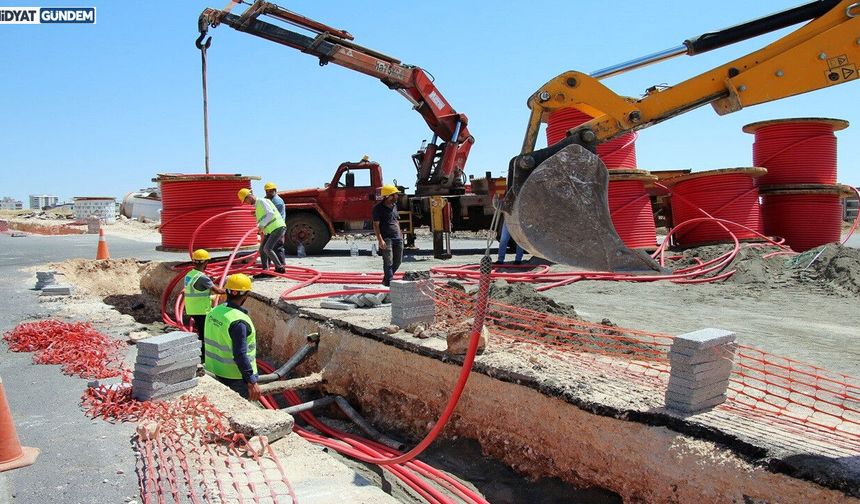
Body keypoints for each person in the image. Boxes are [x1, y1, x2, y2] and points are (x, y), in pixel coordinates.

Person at [203, 273, 261, 402]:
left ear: (227, 292)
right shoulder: (239, 321)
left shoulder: (214, 311)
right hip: (235, 377)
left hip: (213, 370)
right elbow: (240, 354)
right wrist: (251, 381)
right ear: (246, 295)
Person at [184, 249, 227, 362]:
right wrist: (231, 291)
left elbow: (196, 292)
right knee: (205, 334)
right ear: (205, 262)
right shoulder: (202, 277)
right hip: (201, 311)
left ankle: (201, 353)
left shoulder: (189, 275)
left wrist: (211, 298)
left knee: (201, 331)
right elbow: (217, 290)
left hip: (192, 308)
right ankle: (202, 356)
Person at [238, 188, 286, 275]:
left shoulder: (261, 201)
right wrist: (260, 226)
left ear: (249, 196)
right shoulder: (257, 205)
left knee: (267, 248)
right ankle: (265, 271)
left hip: (277, 227)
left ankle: (280, 268)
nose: (246, 203)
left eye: (245, 201)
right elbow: (263, 217)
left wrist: (261, 226)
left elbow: (270, 213)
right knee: (262, 249)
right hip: (270, 229)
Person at [373, 184, 403, 286]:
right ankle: (389, 283)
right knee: (388, 262)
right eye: (394, 195)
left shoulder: (395, 206)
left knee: (398, 261)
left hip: (397, 238)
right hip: (387, 239)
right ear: (387, 196)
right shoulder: (378, 208)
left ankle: (386, 280)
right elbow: (376, 225)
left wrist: (401, 234)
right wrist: (380, 240)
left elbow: (396, 221)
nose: (397, 196)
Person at [263, 182, 286, 267]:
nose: (268, 193)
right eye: (267, 191)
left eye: (270, 191)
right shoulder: (268, 199)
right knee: (267, 247)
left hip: (277, 226)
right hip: (271, 227)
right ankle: (269, 264)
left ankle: (281, 264)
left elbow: (271, 214)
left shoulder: (277, 201)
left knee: (277, 246)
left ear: (275, 191)